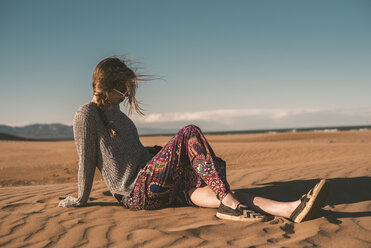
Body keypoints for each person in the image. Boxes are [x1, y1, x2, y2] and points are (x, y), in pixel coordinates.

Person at [58, 56, 329, 223]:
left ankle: (289, 209)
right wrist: (80, 198)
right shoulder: (86, 114)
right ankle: (229, 203)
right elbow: (87, 160)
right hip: (136, 193)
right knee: (189, 132)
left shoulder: (117, 113)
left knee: (215, 186)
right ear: (112, 85)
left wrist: (157, 153)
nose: (129, 92)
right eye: (125, 87)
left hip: (154, 185)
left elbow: (132, 154)